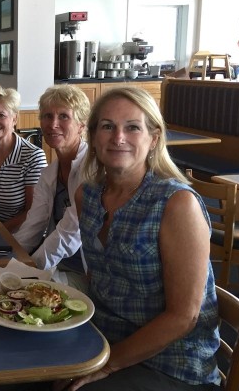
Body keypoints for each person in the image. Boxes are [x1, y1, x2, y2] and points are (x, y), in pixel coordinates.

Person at [61, 86, 220, 391]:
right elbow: (99, 277)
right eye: (107, 126)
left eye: (132, 127)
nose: (118, 137)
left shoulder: (176, 204)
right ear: (93, 137)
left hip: (174, 364)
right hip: (104, 341)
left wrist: (106, 365)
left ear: (154, 138)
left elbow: (183, 317)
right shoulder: (88, 195)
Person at [14, 85, 90, 277]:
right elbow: (33, 226)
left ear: (81, 125)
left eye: (64, 116)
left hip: (87, 274)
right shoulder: (48, 173)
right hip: (58, 267)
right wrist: (12, 259)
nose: (53, 124)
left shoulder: (92, 169)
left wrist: (30, 270)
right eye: (47, 116)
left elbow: (70, 234)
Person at [0, 86, 47, 233]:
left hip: (20, 235)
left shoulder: (33, 157)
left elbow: (32, 213)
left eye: (1, 115)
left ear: (15, 118)